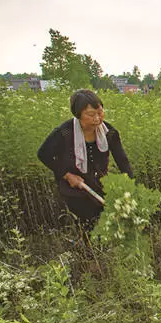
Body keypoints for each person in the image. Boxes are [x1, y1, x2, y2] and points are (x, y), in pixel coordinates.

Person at [37, 89, 133, 231]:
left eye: (100, 113)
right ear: (78, 114)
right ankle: (86, 251)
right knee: (87, 223)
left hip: (98, 183)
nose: (97, 119)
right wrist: (67, 175)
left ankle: (101, 250)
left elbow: (122, 161)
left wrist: (130, 188)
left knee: (104, 221)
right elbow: (43, 154)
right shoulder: (64, 132)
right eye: (91, 114)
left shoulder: (109, 132)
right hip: (73, 187)